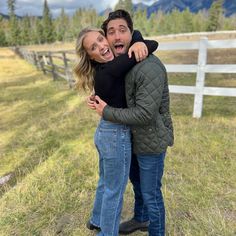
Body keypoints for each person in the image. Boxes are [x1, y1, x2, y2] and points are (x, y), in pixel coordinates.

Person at [90, 9, 174, 236]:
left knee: (151, 193)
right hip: (131, 139)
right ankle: (141, 218)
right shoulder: (122, 61)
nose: (117, 37)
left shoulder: (148, 67)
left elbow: (145, 114)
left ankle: (156, 231)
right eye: (111, 32)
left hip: (150, 140)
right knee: (138, 185)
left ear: (131, 32)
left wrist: (107, 112)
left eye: (123, 31)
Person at [74, 25, 158, 236]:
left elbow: (134, 37)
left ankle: (96, 219)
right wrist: (139, 41)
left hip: (105, 132)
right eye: (94, 47)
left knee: (105, 182)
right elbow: (152, 45)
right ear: (91, 56)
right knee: (115, 190)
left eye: (102, 39)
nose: (103, 46)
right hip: (115, 135)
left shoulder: (107, 68)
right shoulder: (113, 68)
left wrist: (136, 37)